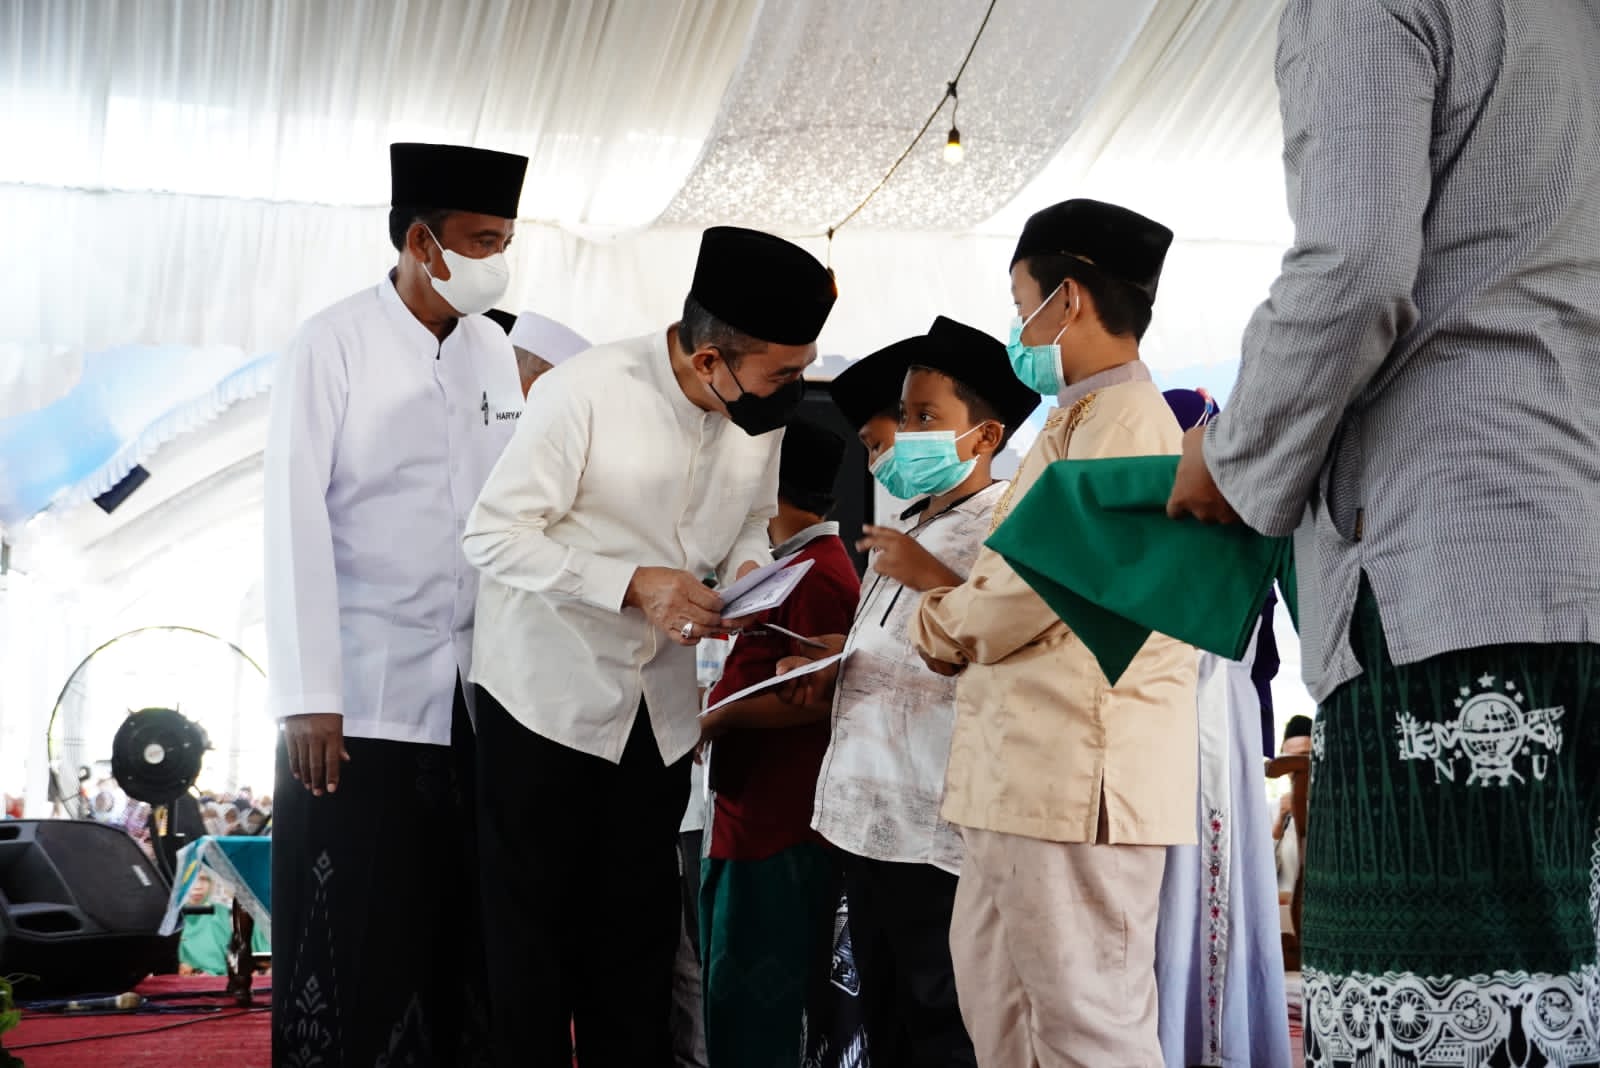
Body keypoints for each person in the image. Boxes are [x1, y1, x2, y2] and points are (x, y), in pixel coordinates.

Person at [1165, 2, 1600, 1063]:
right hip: (1568, 546)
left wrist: (1233, 454)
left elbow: (1354, 267)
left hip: (1445, 568)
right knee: (1562, 993)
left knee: (1435, 1015)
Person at [463, 225, 836, 1068]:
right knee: (531, 952)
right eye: (784, 373)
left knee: (635, 950)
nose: (795, 391)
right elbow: (491, 535)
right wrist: (633, 583)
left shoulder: (757, 414)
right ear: (710, 360)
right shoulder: (586, 392)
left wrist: (748, 580)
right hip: (545, 703)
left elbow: (752, 519)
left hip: (657, 714)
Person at [911, 199, 1197, 1067]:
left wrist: (935, 620)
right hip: (1022, 775)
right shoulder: (1080, 418)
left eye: (1020, 302)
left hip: (1079, 783)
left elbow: (1026, 590)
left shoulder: (1128, 426)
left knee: (1087, 1025)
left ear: (1067, 300)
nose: (1018, 328)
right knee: (1003, 1014)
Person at [264, 140, 527, 1067]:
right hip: (359, 698)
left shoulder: (493, 350)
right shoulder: (331, 342)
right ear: (422, 241)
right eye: (483, 241)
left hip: (474, 689)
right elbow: (293, 517)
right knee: (355, 930)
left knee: (458, 931)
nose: (499, 260)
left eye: (505, 242)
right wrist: (309, 695)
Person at [791, 317, 1041, 1068]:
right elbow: (903, 648)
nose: (906, 433)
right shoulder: (914, 526)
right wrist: (838, 659)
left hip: (935, 833)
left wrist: (927, 574)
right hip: (869, 822)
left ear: (985, 435)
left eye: (927, 417)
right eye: (904, 415)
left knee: (943, 1026)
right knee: (887, 1024)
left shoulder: (1005, 524)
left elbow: (1004, 643)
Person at [697, 417, 861, 1067]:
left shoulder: (820, 573)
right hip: (750, 817)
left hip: (780, 828)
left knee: (760, 1008)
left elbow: (817, 696)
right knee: (731, 992)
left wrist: (718, 719)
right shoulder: (789, 566)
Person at [1152, 388, 1290, 1068]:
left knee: (1207, 883)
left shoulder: (1237, 536)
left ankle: (1208, 1043)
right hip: (1186, 718)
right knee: (1178, 893)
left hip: (1208, 717)